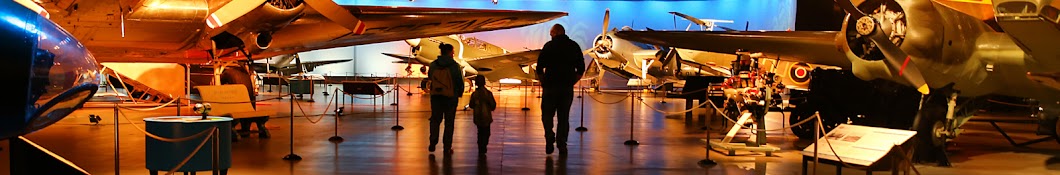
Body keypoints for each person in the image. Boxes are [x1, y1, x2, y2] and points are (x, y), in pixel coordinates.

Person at [535, 24, 585, 154]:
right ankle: (562, 143)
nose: (550, 36)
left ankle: (549, 137)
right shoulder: (574, 46)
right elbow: (581, 69)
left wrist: (543, 82)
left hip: (550, 87)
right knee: (563, 117)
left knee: (546, 116)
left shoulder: (548, 46)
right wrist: (572, 81)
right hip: (566, 88)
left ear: (555, 33)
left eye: (551, 33)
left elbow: (539, 68)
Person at [428, 43, 464, 154]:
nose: (454, 54)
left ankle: (433, 141)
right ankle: (447, 147)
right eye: (453, 52)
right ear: (449, 52)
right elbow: (459, 81)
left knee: (435, 120)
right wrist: (459, 93)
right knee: (449, 123)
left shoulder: (433, 65)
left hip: (436, 97)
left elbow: (430, 77)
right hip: (450, 98)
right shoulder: (455, 66)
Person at [469, 75, 496, 154]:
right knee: (486, 132)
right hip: (486, 116)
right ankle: (484, 145)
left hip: (477, 117)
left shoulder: (474, 94)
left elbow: (471, 105)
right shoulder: (488, 93)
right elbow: (493, 105)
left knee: (480, 132)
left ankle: (481, 147)